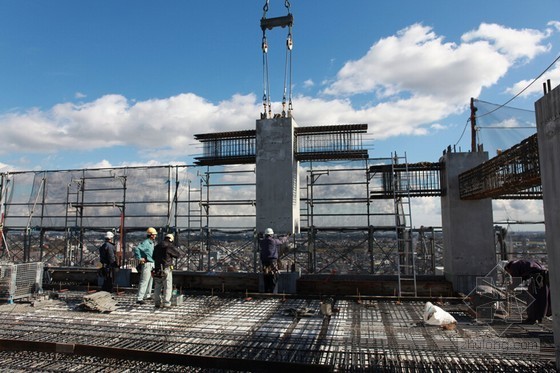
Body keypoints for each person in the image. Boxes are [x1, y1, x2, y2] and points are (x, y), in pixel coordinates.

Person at [504, 258, 551, 324]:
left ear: (507, 268)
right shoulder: (520, 263)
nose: (510, 273)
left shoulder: (513, 266)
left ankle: (533, 318)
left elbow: (517, 281)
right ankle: (538, 317)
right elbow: (523, 277)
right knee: (541, 298)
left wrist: (510, 287)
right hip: (543, 276)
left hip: (538, 278)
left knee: (533, 298)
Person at [152, 233, 181, 308]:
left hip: (157, 269)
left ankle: (157, 302)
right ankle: (166, 303)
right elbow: (177, 255)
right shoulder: (169, 246)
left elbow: (153, 257)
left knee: (157, 286)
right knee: (167, 286)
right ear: (171, 240)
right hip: (166, 268)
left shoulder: (157, 246)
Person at [259, 227, 289, 293]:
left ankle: (266, 291)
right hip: (272, 260)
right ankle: (272, 291)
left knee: (266, 275)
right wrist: (287, 236)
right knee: (273, 275)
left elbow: (260, 240)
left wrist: (260, 235)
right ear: (271, 234)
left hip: (264, 261)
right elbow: (281, 241)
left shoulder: (262, 241)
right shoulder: (273, 241)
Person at [133, 227, 157, 304]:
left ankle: (147, 295)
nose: (155, 236)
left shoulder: (151, 243)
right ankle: (139, 298)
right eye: (154, 234)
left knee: (150, 280)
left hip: (151, 263)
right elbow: (137, 249)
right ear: (151, 235)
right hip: (147, 264)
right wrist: (140, 258)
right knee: (144, 281)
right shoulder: (146, 243)